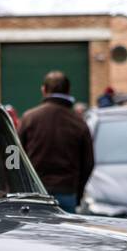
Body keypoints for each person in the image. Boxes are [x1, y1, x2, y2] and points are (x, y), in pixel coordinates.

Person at [16, 70, 95, 212]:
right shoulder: (79, 122)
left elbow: (13, 152)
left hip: (34, 193)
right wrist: (78, 191)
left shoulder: (29, 118)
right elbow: (88, 163)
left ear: (44, 90)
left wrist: (17, 184)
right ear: (68, 91)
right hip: (66, 193)